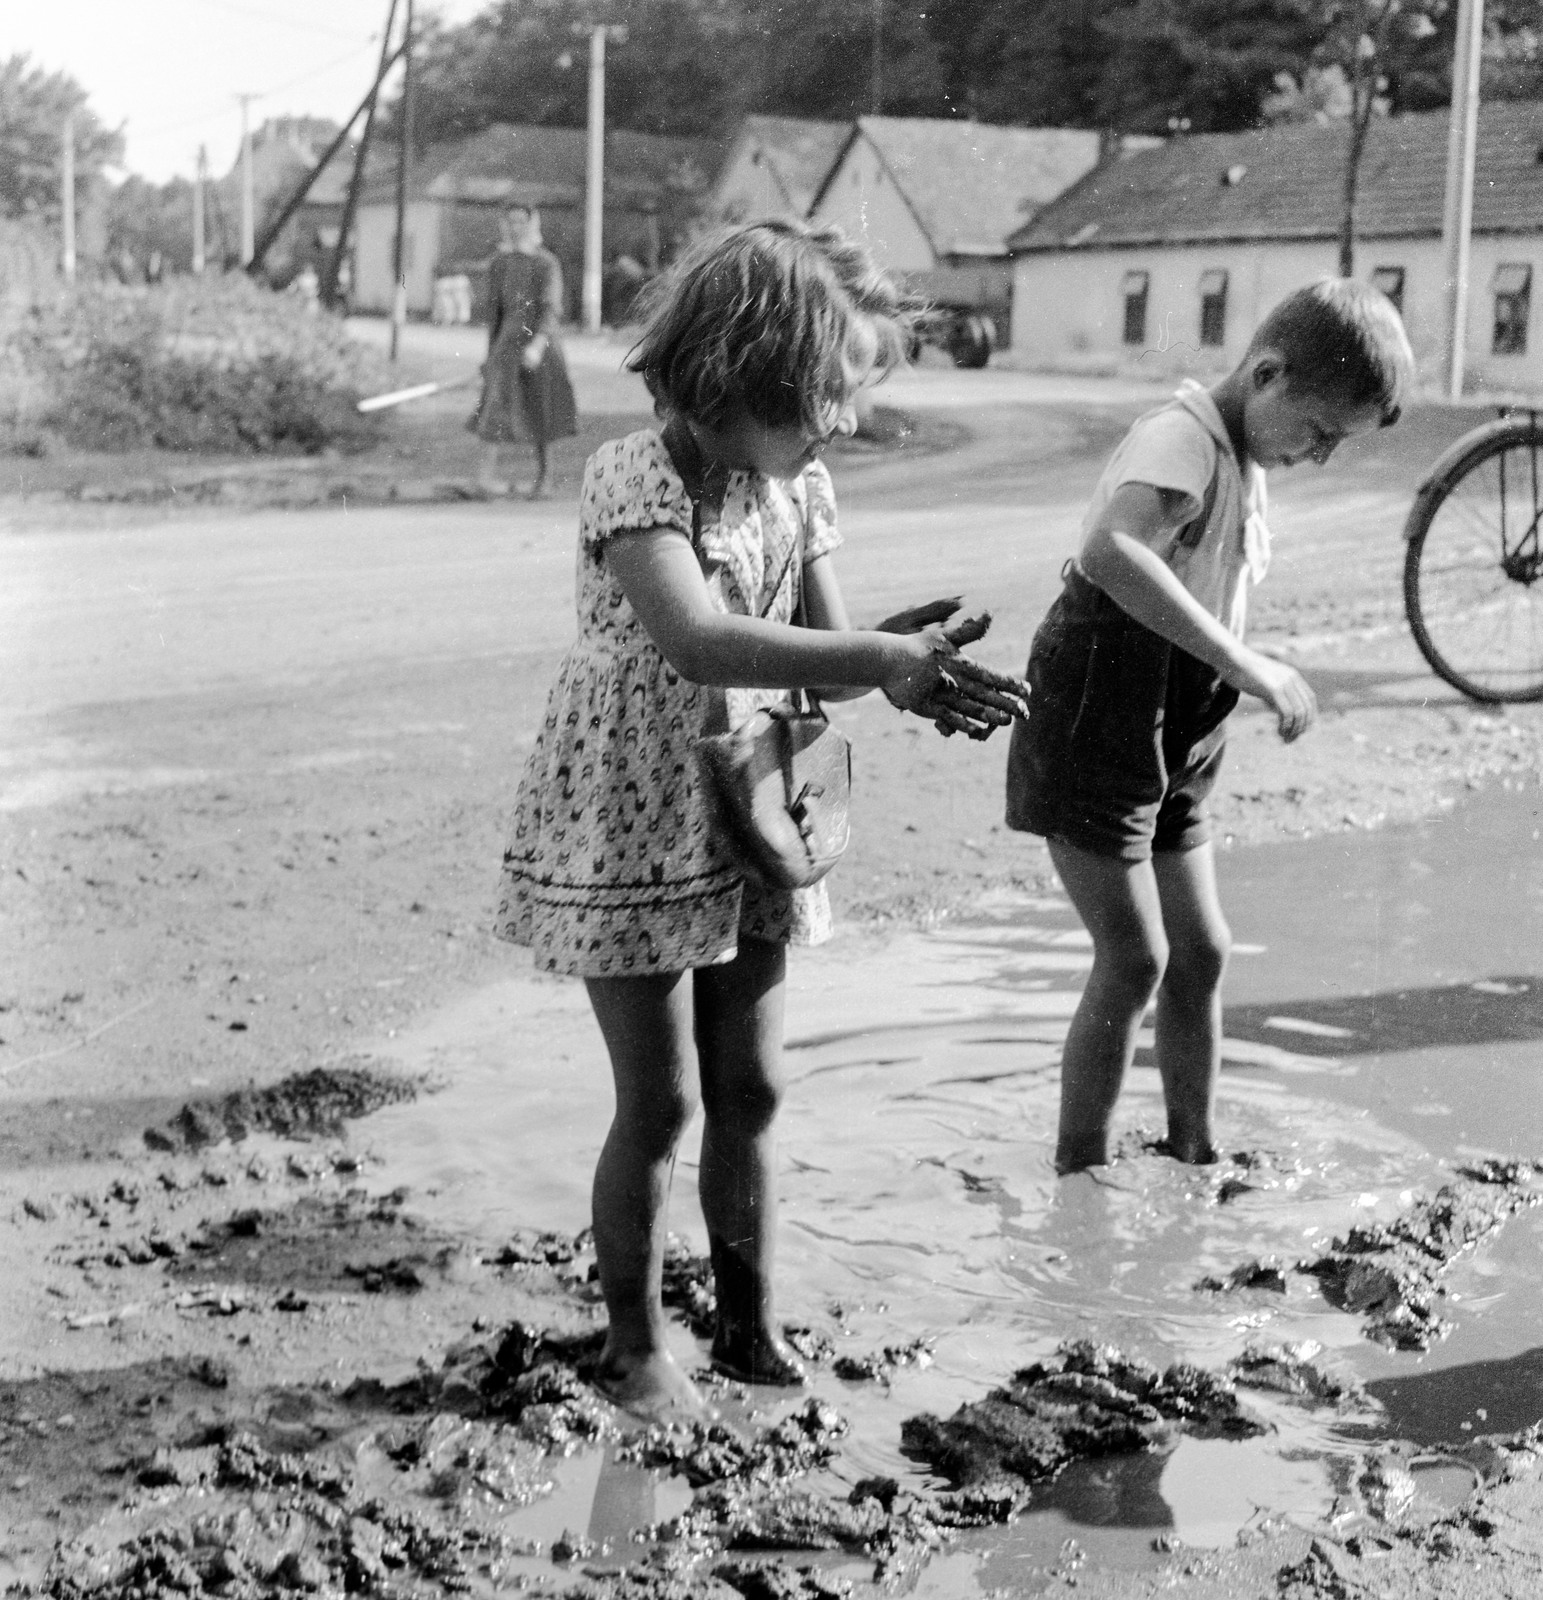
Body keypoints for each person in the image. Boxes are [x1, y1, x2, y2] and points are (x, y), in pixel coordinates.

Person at [492, 220, 1029, 1419]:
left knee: (754, 1087)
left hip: (754, 804)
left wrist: (904, 662)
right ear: (742, 375)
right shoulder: (633, 475)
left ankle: (748, 1322)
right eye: (826, 396)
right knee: (664, 1101)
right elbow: (697, 637)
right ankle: (635, 1348)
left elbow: (829, 665)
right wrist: (874, 651)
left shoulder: (801, 484)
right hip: (634, 814)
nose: (843, 422)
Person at [1005, 277, 1415, 1175]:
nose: (1319, 457)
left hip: (1181, 714)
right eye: (1316, 432)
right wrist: (1245, 663)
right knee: (1133, 956)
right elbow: (1110, 552)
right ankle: (1081, 1175)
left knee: (1202, 948)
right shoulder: (1179, 438)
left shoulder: (1248, 459)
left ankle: (1193, 1150)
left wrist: (1223, 676)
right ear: (1265, 373)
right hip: (1100, 704)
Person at [470, 204, 577, 499]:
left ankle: (545, 479)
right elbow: (495, 314)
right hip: (507, 343)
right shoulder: (499, 263)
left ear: (532, 225)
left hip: (538, 344)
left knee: (540, 409)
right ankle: (484, 479)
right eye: (511, 221)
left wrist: (537, 345)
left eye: (522, 221)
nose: (516, 227)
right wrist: (489, 354)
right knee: (495, 406)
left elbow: (550, 308)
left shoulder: (546, 263)